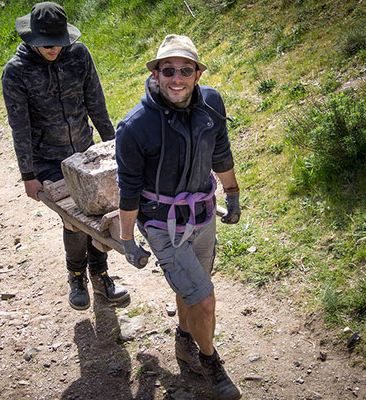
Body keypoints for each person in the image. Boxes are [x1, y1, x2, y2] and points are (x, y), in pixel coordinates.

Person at [115, 34, 242, 400]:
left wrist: (232, 194)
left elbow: (221, 153)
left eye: (185, 70)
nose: (176, 78)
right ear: (155, 74)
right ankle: (210, 362)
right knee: (204, 299)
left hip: (203, 215)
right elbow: (128, 190)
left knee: (193, 287)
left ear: (197, 74)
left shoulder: (211, 103)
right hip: (162, 224)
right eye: (167, 70)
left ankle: (185, 341)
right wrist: (127, 239)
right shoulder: (135, 126)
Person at [1, 1, 129, 311]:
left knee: (99, 214)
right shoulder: (16, 73)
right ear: (31, 38)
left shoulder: (79, 55)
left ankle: (100, 275)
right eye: (46, 44)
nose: (53, 49)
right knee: (74, 221)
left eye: (58, 42)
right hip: (49, 160)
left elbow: (96, 102)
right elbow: (20, 127)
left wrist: (113, 148)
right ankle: (76, 276)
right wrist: (28, 176)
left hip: (86, 153)